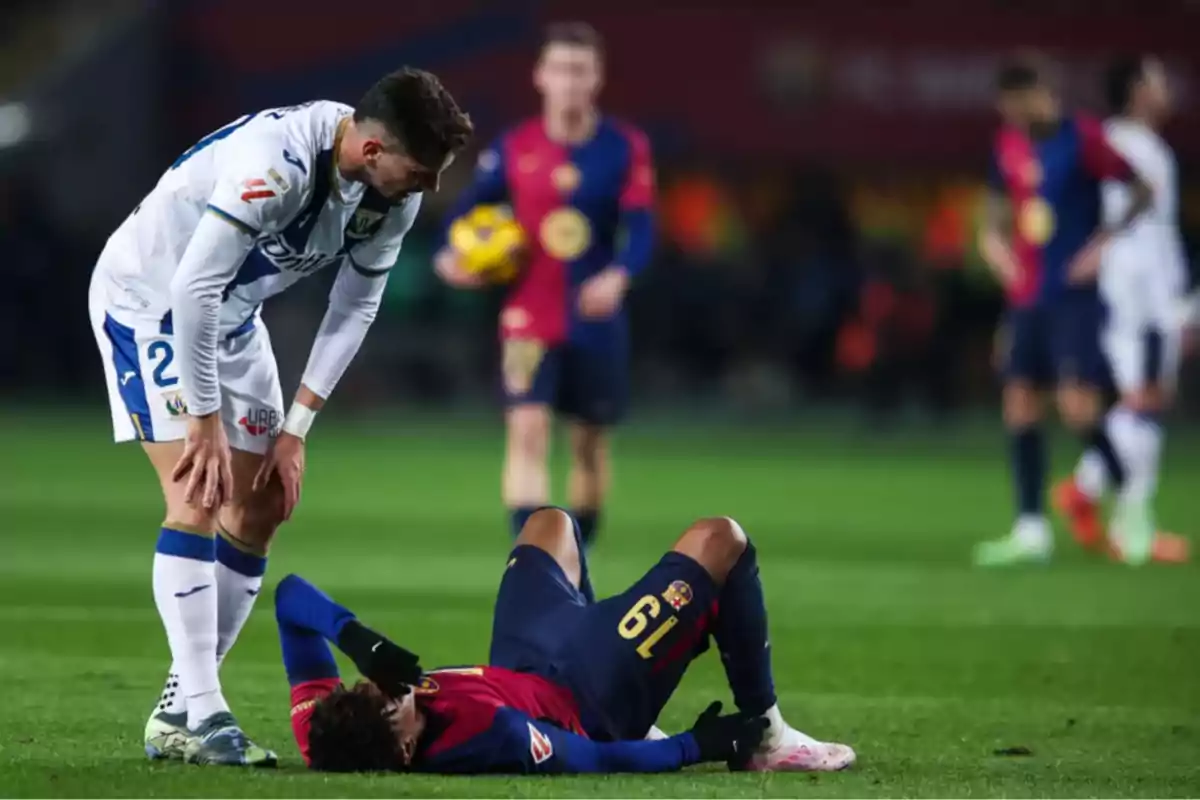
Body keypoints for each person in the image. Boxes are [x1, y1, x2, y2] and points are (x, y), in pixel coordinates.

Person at [87, 68, 472, 765]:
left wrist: (296, 428)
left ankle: (178, 705)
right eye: (422, 170)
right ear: (373, 150)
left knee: (261, 503)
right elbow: (192, 286)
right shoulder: (278, 163)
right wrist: (202, 417)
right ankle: (204, 714)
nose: (430, 187)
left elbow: (354, 305)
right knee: (198, 492)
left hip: (230, 320)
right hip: (151, 307)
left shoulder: (390, 197)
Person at [275, 508, 856, 774]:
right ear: (403, 753)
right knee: (721, 539)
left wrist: (356, 640)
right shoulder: (491, 738)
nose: (392, 690)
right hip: (589, 694)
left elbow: (289, 597)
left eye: (371, 690)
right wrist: (698, 746)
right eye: (391, 705)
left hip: (525, 659)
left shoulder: (322, 728)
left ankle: (610, 629)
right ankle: (769, 734)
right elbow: (598, 756)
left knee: (547, 523)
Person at [434, 22, 655, 547]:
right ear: (540, 76)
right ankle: (530, 563)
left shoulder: (624, 147)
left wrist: (618, 277)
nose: (569, 82)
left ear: (597, 78)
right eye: (560, 69)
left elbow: (644, 229)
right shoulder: (516, 146)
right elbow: (464, 213)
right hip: (528, 315)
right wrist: (450, 257)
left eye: (580, 71)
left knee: (588, 445)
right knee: (527, 431)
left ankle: (580, 557)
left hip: (594, 316)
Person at [973, 54, 1152, 567]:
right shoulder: (1007, 145)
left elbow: (1141, 187)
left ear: (1040, 94)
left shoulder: (1084, 137)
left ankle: (1132, 503)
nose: (1011, 114)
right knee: (1020, 405)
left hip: (1073, 296)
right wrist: (994, 246)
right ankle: (1031, 530)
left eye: (1017, 102)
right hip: (1027, 298)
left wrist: (1102, 246)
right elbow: (994, 213)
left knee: (1078, 408)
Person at [1055, 56, 1190, 565]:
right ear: (1136, 90)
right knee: (1145, 402)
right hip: (1139, 291)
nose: (1167, 87)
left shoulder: (1142, 145)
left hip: (1144, 289)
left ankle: (1089, 490)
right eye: (1157, 79)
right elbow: (1123, 225)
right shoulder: (1125, 148)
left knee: (1142, 402)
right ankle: (1134, 525)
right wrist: (1169, 307)